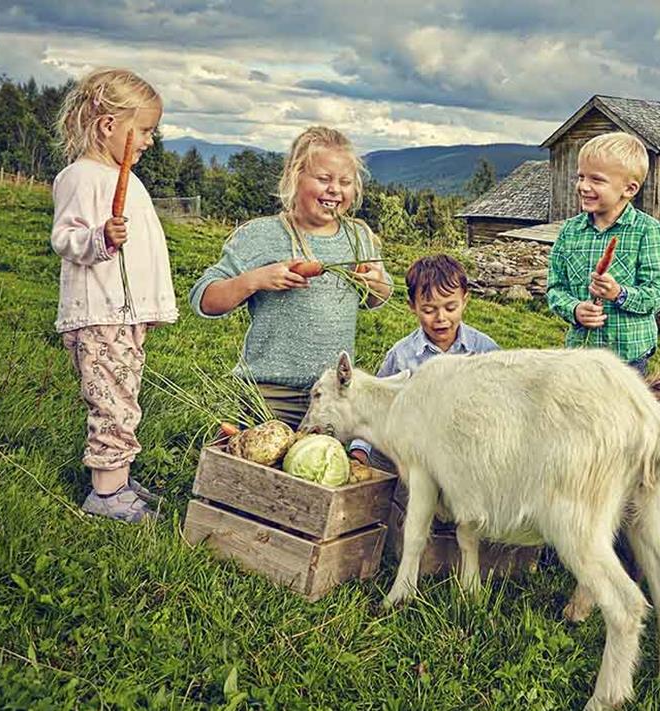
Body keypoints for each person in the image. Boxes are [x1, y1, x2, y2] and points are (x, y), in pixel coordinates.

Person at [188, 126, 392, 428]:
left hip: (333, 394)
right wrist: (256, 279)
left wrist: (376, 283)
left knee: (317, 469)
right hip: (269, 393)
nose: (335, 189)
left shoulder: (358, 237)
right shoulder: (262, 235)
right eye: (324, 179)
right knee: (258, 470)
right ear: (295, 177)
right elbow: (203, 298)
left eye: (345, 182)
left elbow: (378, 297)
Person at [51, 68, 177, 523]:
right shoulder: (81, 177)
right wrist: (100, 238)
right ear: (109, 126)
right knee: (112, 400)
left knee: (124, 394)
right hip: (101, 311)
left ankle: (118, 480)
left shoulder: (120, 177)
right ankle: (105, 495)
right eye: (143, 130)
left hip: (123, 314)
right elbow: (66, 238)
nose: (149, 140)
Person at [349, 253, 499, 465]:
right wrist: (360, 450)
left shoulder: (485, 351)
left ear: (465, 300)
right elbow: (374, 407)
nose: (441, 318)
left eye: (450, 308)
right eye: (429, 310)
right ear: (412, 306)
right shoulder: (402, 356)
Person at [544, 131, 660, 376]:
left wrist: (619, 294)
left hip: (629, 358)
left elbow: (657, 293)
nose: (583, 186)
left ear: (629, 188)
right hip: (582, 355)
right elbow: (555, 288)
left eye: (596, 180)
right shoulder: (570, 231)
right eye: (580, 176)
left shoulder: (647, 231)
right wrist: (575, 310)